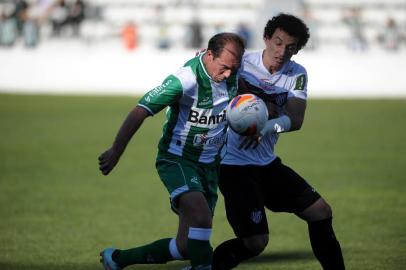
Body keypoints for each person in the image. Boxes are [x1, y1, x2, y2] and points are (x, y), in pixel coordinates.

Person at [98, 32, 245, 270]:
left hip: (210, 166)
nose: (229, 74)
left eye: (233, 68)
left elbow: (245, 97)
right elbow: (141, 109)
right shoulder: (184, 80)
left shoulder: (234, 72)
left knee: (186, 246)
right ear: (209, 56)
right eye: (225, 67)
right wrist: (116, 150)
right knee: (201, 217)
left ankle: (117, 259)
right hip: (178, 159)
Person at [211, 14, 345, 270]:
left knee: (321, 212)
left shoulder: (297, 74)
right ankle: (207, 266)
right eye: (278, 42)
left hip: (267, 163)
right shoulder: (241, 63)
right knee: (255, 243)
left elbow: (295, 119)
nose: (282, 52)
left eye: (291, 47)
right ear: (266, 39)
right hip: (234, 167)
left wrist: (267, 125)